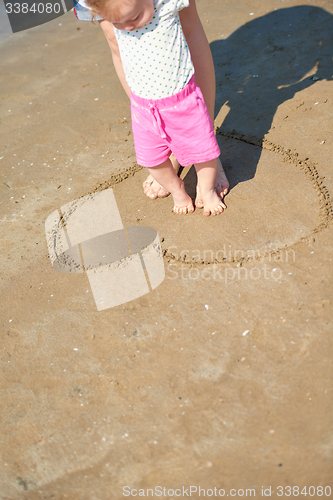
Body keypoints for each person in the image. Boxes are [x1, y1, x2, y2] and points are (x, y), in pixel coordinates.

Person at [73, 0, 229, 215]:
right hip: (145, 108)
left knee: (188, 23)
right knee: (152, 159)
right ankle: (177, 186)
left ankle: (206, 181)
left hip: (183, 99)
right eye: (118, 22)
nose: (128, 27)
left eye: (134, 18)